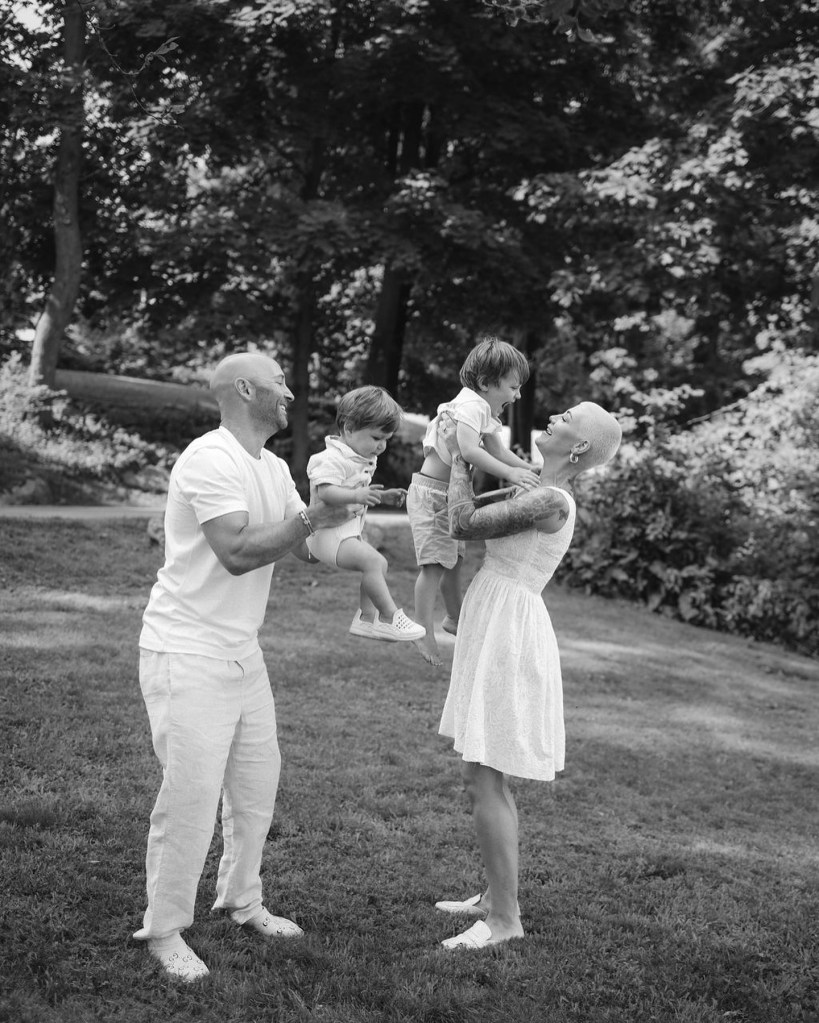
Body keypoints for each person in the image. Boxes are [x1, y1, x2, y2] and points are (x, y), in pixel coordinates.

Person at [135, 351, 351, 982]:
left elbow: (304, 545)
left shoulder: (275, 464)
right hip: (187, 648)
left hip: (241, 650)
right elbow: (234, 551)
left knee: (256, 789)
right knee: (191, 797)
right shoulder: (209, 458)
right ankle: (165, 929)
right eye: (282, 382)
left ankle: (242, 899)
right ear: (247, 389)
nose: (292, 391)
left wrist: (354, 528)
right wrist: (314, 517)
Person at [432, 401, 622, 950]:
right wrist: (473, 440)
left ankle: (504, 921)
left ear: (579, 446)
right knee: (487, 771)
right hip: (495, 613)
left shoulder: (547, 499)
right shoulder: (535, 482)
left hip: (510, 627)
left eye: (567, 417)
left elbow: (462, 523)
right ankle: (495, 898)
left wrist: (460, 456)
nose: (554, 415)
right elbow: (498, 467)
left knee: (482, 773)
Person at [406, 337, 540, 667]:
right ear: (485, 383)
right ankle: (422, 631)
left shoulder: (481, 408)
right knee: (434, 565)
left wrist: (529, 469)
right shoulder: (470, 407)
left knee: (453, 563)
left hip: (449, 496)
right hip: (433, 495)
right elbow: (467, 451)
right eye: (512, 387)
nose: (517, 395)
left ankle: (454, 618)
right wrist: (511, 474)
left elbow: (496, 450)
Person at [306, 385, 424, 642]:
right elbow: (326, 492)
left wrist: (380, 496)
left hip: (345, 534)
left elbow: (358, 491)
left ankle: (366, 619)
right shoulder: (329, 458)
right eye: (375, 438)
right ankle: (390, 617)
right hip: (326, 536)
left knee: (380, 563)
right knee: (372, 562)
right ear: (349, 428)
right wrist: (358, 496)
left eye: (386, 439)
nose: (381, 446)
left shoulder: (358, 456)